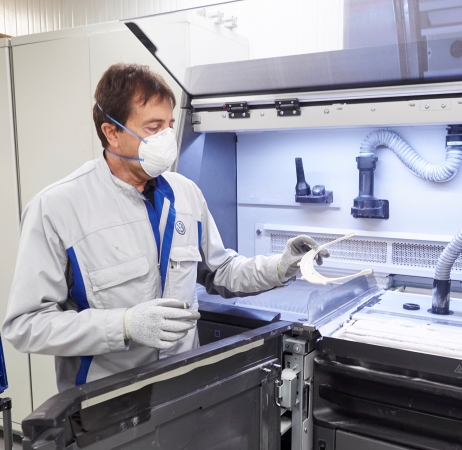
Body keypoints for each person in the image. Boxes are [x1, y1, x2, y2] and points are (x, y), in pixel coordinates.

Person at [2, 63, 328, 392]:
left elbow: (221, 271)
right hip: (108, 402)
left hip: (183, 390)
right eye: (153, 127)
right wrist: (123, 325)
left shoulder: (186, 193)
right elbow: (26, 325)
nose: (166, 139)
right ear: (112, 133)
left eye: (169, 126)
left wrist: (280, 266)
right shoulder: (57, 208)